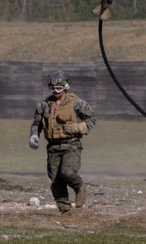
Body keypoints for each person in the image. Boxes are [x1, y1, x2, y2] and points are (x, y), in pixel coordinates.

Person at [28, 70, 97, 214]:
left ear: (65, 87)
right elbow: (36, 124)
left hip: (71, 145)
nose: (55, 91)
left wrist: (79, 127)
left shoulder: (77, 103)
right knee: (56, 180)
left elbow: (92, 118)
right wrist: (34, 136)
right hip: (53, 147)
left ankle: (79, 187)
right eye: (52, 88)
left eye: (59, 88)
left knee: (67, 172)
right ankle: (65, 211)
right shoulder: (43, 106)